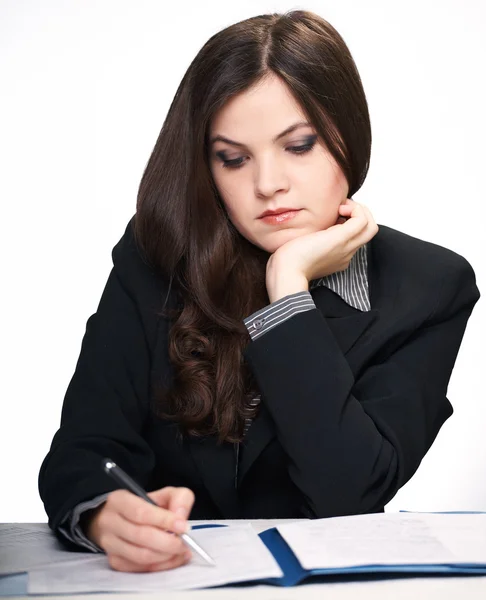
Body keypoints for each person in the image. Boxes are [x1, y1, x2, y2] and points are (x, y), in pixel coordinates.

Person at [38, 9, 480, 574]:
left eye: (299, 146)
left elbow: (349, 494)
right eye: (234, 158)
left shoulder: (429, 286)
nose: (267, 184)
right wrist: (105, 517)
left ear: (350, 134)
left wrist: (288, 291)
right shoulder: (156, 256)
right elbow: (84, 450)